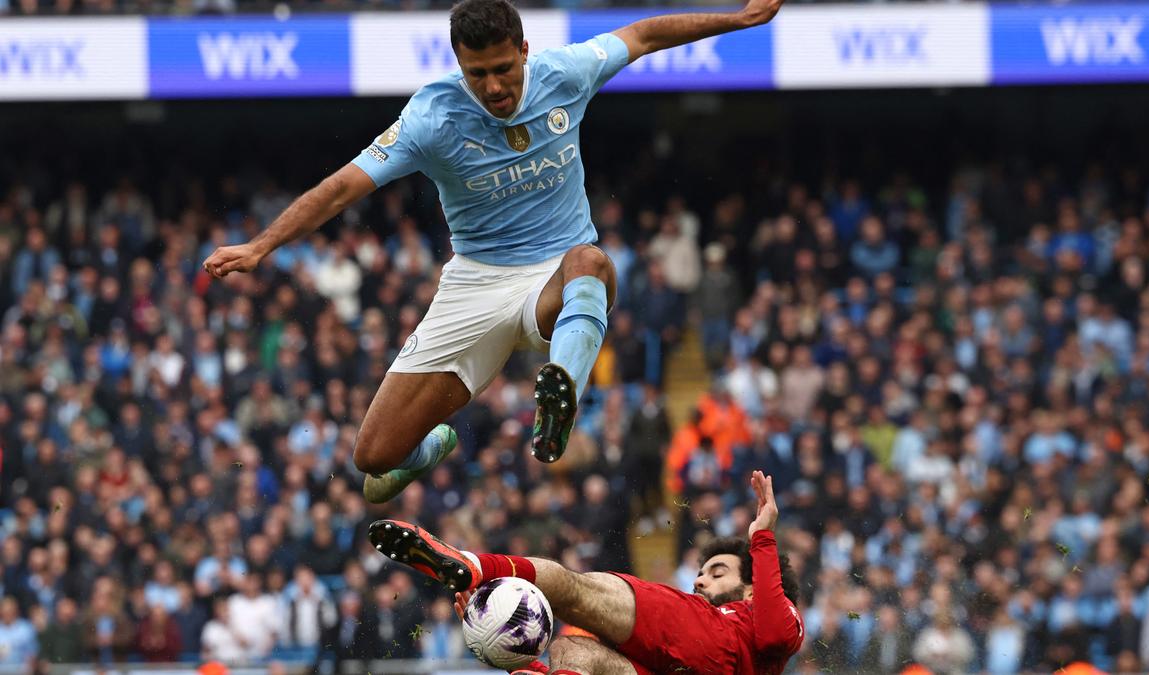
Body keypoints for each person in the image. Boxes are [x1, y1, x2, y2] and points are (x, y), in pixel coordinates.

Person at [201, 0, 785, 504]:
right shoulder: (432, 117)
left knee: (591, 261)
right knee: (374, 459)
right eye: (477, 74)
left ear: (525, 50)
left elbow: (644, 35)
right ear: (460, 65)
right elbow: (342, 189)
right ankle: (435, 443)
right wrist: (261, 245)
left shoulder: (566, 73)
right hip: (475, 284)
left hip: (556, 277)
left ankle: (561, 397)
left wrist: (739, 18)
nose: (495, 87)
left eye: (503, 69)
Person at [370, 471, 803, 674]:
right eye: (702, 572)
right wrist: (498, 643)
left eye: (717, 572)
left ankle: (477, 565)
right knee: (572, 652)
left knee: (572, 588)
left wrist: (762, 538)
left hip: (702, 640)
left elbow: (775, 633)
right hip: (663, 667)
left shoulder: (770, 618)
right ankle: (478, 575)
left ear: (752, 588)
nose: (699, 579)